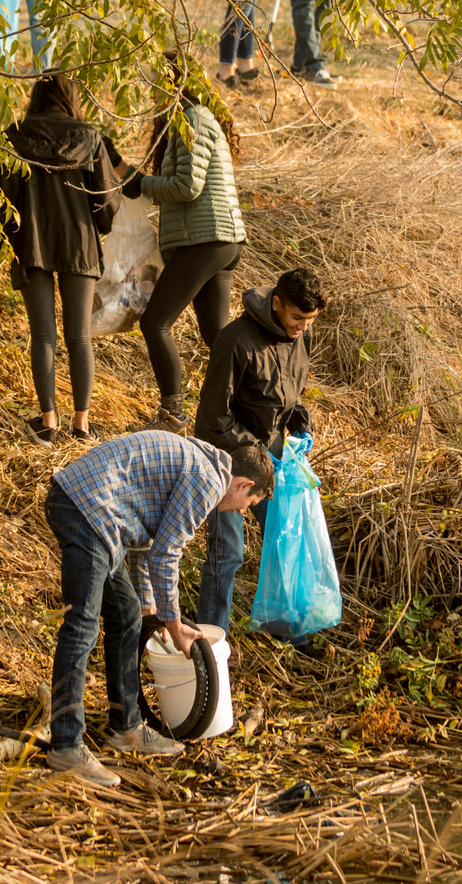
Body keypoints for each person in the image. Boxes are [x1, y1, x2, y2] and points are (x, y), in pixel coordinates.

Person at [43, 430, 275, 787]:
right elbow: (166, 554)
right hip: (87, 509)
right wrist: (175, 622)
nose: (241, 512)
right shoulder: (209, 480)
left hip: (94, 511)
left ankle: (127, 727)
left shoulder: (202, 462)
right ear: (244, 485)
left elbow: (143, 545)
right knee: (82, 626)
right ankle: (66, 746)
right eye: (248, 505)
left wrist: (154, 613)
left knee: (127, 614)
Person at [191, 268, 326, 647]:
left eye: (310, 320)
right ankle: (210, 642)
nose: (303, 326)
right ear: (277, 303)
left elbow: (291, 393)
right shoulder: (235, 340)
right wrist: (255, 450)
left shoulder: (302, 335)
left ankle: (291, 631)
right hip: (229, 461)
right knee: (227, 555)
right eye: (297, 318)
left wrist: (300, 422)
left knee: (285, 541)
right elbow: (213, 416)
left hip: (276, 457)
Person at [0, 73, 122, 444]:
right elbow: (106, 202)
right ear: (69, 98)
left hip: (30, 244)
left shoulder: (14, 136)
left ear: (37, 96)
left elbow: (1, 198)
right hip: (78, 245)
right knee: (79, 336)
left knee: (43, 335)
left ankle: (48, 423)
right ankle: (81, 425)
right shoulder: (89, 137)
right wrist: (102, 221)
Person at [126, 51, 249, 429]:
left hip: (205, 239)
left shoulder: (191, 119)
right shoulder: (201, 117)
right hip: (223, 240)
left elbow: (187, 186)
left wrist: (140, 185)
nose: (154, 94)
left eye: (158, 85)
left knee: (155, 323)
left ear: (173, 84)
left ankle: (173, 414)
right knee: (217, 337)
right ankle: (245, 409)